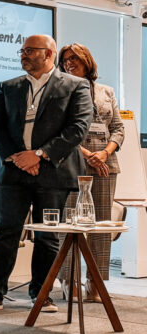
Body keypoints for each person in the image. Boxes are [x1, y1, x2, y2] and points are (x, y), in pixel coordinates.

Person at [0, 35, 92, 313]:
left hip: (53, 172)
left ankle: (42, 294)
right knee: (6, 233)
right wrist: (17, 157)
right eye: (22, 50)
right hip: (13, 171)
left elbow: (78, 127)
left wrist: (39, 154)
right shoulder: (8, 86)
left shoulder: (75, 86)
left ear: (49, 54)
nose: (23, 54)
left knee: (47, 235)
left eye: (30, 50)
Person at [59, 43, 124, 302]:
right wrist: (88, 155)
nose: (69, 63)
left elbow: (118, 128)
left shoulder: (106, 91)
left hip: (106, 166)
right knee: (70, 225)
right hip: (73, 164)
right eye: (65, 59)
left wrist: (105, 153)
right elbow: (61, 132)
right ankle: (68, 280)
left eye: (74, 58)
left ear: (87, 60)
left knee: (101, 227)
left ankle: (95, 281)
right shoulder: (61, 90)